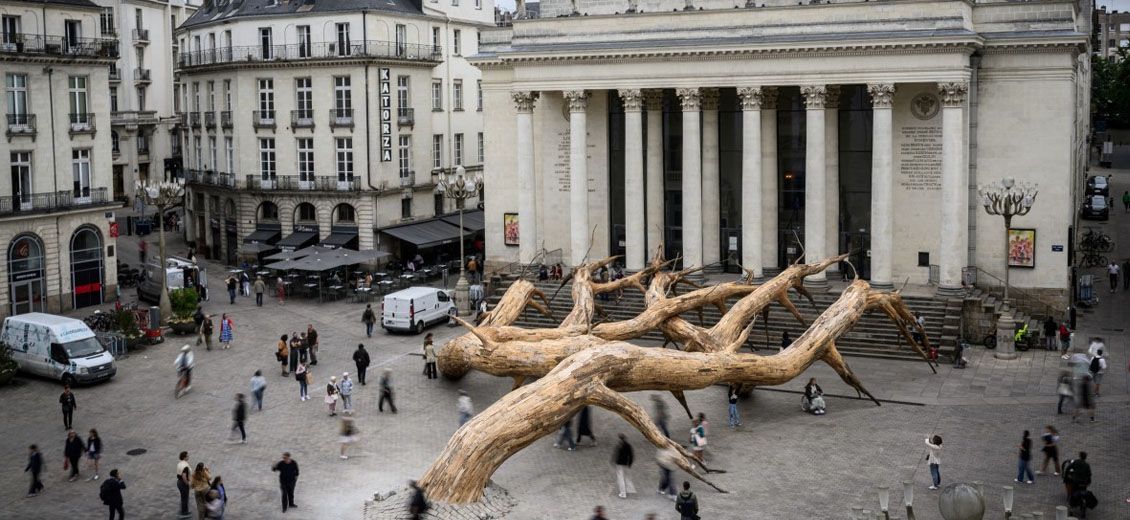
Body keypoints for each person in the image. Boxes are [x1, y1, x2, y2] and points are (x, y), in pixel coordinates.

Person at [614, 433, 636, 499]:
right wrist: (630, 463)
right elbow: (631, 456)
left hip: (620, 464)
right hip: (626, 464)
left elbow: (616, 455)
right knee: (626, 477)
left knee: (621, 479)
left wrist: (614, 462)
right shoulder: (628, 446)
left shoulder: (619, 446)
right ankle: (629, 489)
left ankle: (623, 493)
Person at [176, 452, 191, 518]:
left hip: (179, 482)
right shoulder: (185, 466)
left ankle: (185, 510)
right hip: (183, 483)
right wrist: (187, 484)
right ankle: (184, 513)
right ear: (184, 457)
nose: (188, 457)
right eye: (187, 456)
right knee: (185, 498)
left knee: (183, 497)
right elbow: (184, 476)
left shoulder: (180, 463)